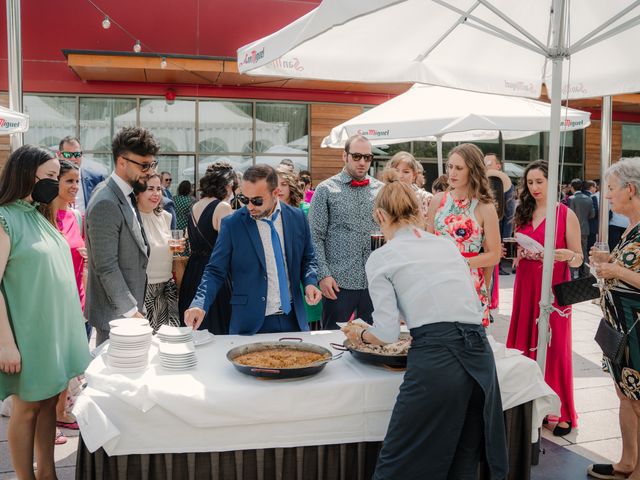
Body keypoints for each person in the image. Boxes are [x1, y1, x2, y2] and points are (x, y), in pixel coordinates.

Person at [342, 172, 507, 480]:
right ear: (417, 212)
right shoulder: (446, 246)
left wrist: (360, 332)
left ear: (379, 216)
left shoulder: (382, 257)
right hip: (480, 357)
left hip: (437, 359)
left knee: (399, 460)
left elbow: (388, 333)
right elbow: (471, 305)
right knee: (462, 458)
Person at [0, 145, 90, 479]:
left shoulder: (39, 215)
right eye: (51, 176)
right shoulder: (4, 218)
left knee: (50, 402)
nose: (57, 183)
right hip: (28, 331)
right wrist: (6, 343)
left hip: (54, 330)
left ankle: (47, 472)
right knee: (26, 409)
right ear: (27, 174)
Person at [184, 164, 322, 335]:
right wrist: (199, 304)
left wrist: (310, 283)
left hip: (294, 320)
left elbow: (308, 258)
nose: (249, 206)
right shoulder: (232, 224)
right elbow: (214, 271)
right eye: (244, 199)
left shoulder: (297, 217)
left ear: (275, 193)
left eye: (257, 200)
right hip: (250, 324)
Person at [506, 160, 583, 436]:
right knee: (523, 340)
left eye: (540, 182)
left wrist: (565, 255)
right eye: (530, 183)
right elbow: (519, 245)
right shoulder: (523, 211)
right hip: (526, 283)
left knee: (556, 346)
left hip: (553, 286)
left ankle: (562, 411)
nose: (534, 187)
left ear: (552, 182)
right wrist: (520, 253)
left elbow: (578, 257)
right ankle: (527, 405)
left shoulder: (565, 214)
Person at [587, 158, 640, 480]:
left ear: (630, 190)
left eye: (611, 189)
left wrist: (615, 269)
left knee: (637, 401)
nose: (607, 196)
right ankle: (627, 462)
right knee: (625, 395)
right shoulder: (632, 226)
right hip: (621, 328)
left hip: (636, 330)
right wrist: (609, 261)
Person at [85, 127, 160, 346]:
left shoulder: (125, 192)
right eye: (144, 165)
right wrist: (131, 312)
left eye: (152, 164)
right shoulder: (106, 201)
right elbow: (106, 266)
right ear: (121, 162)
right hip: (117, 319)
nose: (149, 171)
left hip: (127, 313)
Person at [309, 134, 383, 329]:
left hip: (373, 281)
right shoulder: (325, 190)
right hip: (338, 282)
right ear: (345, 156)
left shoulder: (381, 190)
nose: (362, 162)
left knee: (374, 341)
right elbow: (315, 236)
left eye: (367, 158)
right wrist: (323, 275)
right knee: (333, 341)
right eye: (356, 156)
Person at [426, 143, 501, 327]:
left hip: (469, 284)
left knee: (467, 346)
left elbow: (495, 255)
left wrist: (461, 262)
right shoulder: (437, 200)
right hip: (436, 280)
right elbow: (427, 245)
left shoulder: (485, 207)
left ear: (473, 171)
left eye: (459, 168)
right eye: (450, 167)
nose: (452, 173)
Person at [47, 160, 89, 437]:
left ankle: (61, 412)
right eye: (68, 181)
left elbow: (81, 251)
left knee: (68, 365)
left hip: (78, 298)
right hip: (52, 301)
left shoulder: (76, 217)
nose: (75, 186)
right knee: (53, 364)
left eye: (77, 181)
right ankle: (48, 421)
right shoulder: (43, 217)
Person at [179, 163, 235, 334]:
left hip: (193, 272)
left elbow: (188, 237)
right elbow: (232, 244)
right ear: (227, 185)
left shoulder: (194, 206)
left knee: (195, 331)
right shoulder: (223, 207)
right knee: (218, 327)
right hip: (214, 273)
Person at [278, 169, 323, 327]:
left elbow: (311, 247)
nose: (280, 189)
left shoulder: (304, 210)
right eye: (276, 184)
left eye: (284, 184)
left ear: (292, 186)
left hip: (303, 274)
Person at [137, 174, 180, 331]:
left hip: (167, 288)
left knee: (169, 341)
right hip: (143, 290)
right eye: (150, 189)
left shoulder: (166, 217)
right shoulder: (132, 218)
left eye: (158, 189)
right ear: (138, 191)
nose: (156, 193)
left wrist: (176, 247)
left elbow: (167, 249)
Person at [56, 135, 108, 214]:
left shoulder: (97, 179)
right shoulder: (53, 178)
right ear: (59, 155)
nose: (73, 159)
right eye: (68, 155)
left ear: (82, 154)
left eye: (77, 154)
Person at [384, 151, 432, 220]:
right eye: (396, 171)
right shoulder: (385, 196)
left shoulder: (426, 198)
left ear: (414, 175)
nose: (400, 176)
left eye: (406, 172)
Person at [568, 178, 595, 278]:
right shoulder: (589, 198)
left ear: (572, 187)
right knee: (584, 251)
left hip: (572, 230)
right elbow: (592, 215)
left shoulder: (571, 199)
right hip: (585, 229)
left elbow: (569, 215)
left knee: (572, 252)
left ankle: (573, 274)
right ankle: (586, 273)